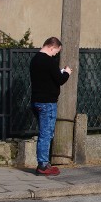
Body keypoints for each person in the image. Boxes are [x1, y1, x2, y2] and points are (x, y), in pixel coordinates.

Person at [29, 37, 72, 176]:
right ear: (52, 47)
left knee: (44, 133)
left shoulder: (34, 60)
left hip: (36, 101)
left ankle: (44, 163)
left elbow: (45, 79)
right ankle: (42, 165)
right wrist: (66, 72)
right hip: (47, 103)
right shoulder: (49, 61)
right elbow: (60, 80)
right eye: (56, 52)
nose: (55, 54)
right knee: (46, 134)